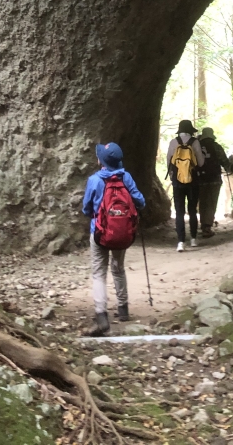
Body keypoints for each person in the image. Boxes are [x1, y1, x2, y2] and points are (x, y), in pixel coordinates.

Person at [82, 142, 145, 337]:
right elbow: (140, 201)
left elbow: (86, 208)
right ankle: (123, 308)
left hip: (100, 233)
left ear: (101, 160)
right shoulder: (126, 178)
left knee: (99, 273)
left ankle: (102, 316)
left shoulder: (94, 180)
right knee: (118, 268)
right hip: (122, 232)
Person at [167, 119, 205, 252]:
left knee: (179, 211)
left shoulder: (173, 142)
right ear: (190, 130)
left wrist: (173, 175)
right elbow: (200, 163)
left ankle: (180, 242)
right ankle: (193, 239)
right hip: (192, 180)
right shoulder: (195, 142)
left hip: (178, 181)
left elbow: (169, 162)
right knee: (193, 210)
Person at [197, 127, 231, 237]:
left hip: (200, 179)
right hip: (214, 179)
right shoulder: (216, 147)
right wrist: (230, 168)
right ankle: (207, 226)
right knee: (211, 202)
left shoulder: (196, 147)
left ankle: (203, 224)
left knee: (203, 202)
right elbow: (225, 162)